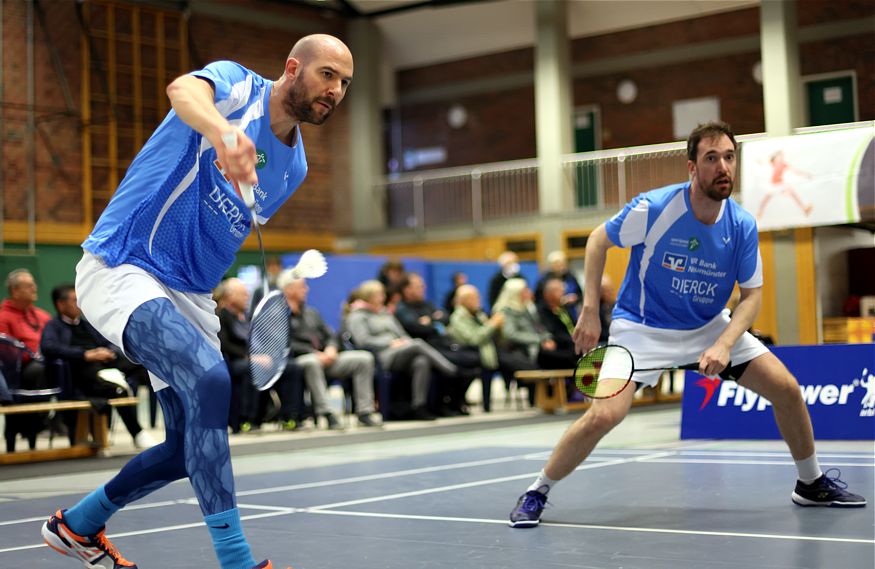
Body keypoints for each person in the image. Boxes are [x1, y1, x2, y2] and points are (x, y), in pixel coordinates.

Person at [42, 34, 354, 569]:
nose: (336, 90)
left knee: (188, 445)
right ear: (292, 68)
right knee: (211, 381)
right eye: (327, 74)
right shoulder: (236, 88)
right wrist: (222, 133)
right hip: (125, 262)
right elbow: (182, 89)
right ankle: (236, 561)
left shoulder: (293, 169)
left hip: (190, 294)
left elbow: (226, 228)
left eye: (345, 83)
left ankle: (78, 526)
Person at [508, 121, 866, 529]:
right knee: (604, 416)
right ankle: (537, 490)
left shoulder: (743, 225)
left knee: (786, 389)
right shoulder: (656, 208)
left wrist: (725, 344)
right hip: (642, 328)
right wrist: (590, 310)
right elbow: (596, 241)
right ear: (692, 167)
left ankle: (811, 483)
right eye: (711, 158)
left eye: (729, 157)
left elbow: (752, 297)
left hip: (708, 326)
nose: (723, 166)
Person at [40, 284, 157, 449]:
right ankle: (138, 433)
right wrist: (85, 354)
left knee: (142, 365)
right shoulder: (53, 326)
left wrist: (109, 351)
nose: (79, 304)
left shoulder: (86, 324)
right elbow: (48, 347)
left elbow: (108, 341)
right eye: (75, 300)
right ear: (61, 304)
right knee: (117, 390)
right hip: (80, 370)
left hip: (104, 363)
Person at [278, 271, 381, 429]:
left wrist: (331, 348)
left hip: (326, 358)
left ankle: (364, 412)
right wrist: (314, 353)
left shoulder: (311, 313)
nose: (306, 289)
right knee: (312, 363)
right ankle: (327, 413)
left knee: (364, 359)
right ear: (289, 289)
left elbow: (331, 335)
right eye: (302, 286)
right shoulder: (277, 314)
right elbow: (284, 343)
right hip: (300, 359)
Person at [345, 280, 459, 421]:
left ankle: (419, 406)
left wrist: (403, 341)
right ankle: (450, 369)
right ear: (369, 296)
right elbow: (363, 340)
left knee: (421, 361)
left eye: (382, 294)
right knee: (417, 343)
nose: (382, 297)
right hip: (380, 356)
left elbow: (401, 333)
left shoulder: (385, 313)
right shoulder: (357, 316)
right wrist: (390, 342)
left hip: (400, 351)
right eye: (378, 294)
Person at [216, 278, 303, 434]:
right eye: (243, 295)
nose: (247, 298)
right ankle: (247, 420)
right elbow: (224, 344)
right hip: (235, 362)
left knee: (292, 368)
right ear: (230, 296)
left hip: (259, 359)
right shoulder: (221, 316)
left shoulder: (248, 317)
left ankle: (291, 417)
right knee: (251, 369)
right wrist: (251, 358)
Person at [395, 272, 478, 415]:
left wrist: (430, 321)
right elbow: (415, 327)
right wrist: (433, 322)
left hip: (443, 344)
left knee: (474, 358)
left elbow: (445, 317)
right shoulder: (402, 309)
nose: (423, 288)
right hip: (428, 349)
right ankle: (443, 404)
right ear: (407, 290)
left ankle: (455, 401)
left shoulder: (427, 304)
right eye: (419, 286)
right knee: (458, 365)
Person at [447, 284, 535, 412]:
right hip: (473, 355)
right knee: (519, 362)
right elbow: (474, 338)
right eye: (474, 298)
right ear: (465, 300)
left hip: (492, 353)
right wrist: (493, 324)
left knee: (524, 361)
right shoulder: (458, 317)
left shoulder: (478, 314)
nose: (478, 300)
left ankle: (535, 391)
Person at [534, 250, 583, 320]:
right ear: (551, 265)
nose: (561, 266)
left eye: (563, 263)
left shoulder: (570, 277)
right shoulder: (543, 280)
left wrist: (575, 298)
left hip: (571, 313)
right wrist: (559, 301)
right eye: (558, 264)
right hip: (552, 315)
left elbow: (579, 294)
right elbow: (539, 300)